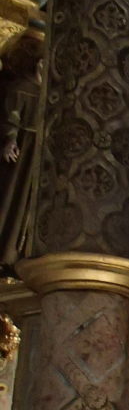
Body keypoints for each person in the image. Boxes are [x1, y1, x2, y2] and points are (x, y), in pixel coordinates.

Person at [0, 43, 43, 272]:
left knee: (27, 207)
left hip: (36, 154)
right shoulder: (20, 88)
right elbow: (11, 117)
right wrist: (10, 140)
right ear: (40, 64)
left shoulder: (47, 93)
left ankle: (16, 256)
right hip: (21, 153)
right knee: (11, 201)